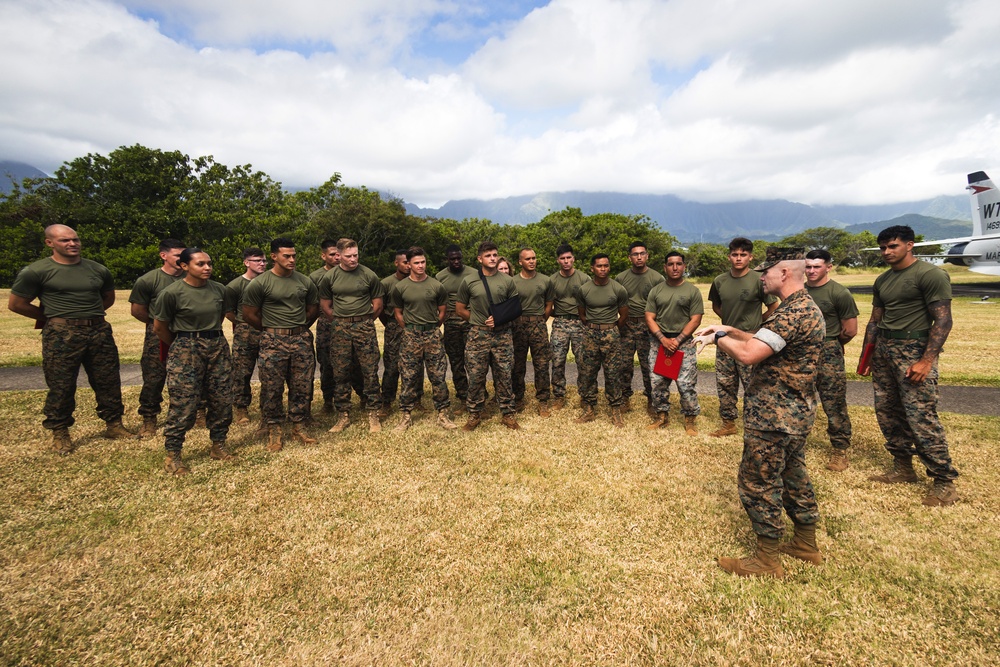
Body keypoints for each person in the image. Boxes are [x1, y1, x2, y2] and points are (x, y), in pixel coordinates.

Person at [696, 248, 825, 579]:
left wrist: (719, 340)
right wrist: (727, 329)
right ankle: (805, 544)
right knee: (793, 475)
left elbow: (750, 354)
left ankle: (767, 560)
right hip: (793, 414)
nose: (760, 276)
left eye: (765, 271)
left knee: (758, 481)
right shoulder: (800, 309)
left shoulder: (791, 314)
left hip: (774, 415)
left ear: (783, 274)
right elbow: (764, 340)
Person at [8, 224, 134, 453]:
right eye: (65, 240)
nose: (72, 244)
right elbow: (17, 304)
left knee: (108, 380)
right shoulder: (36, 271)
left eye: (75, 239)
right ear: (49, 243)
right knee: (61, 384)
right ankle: (60, 431)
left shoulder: (98, 270)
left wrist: (87, 318)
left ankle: (114, 424)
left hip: (99, 331)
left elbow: (107, 299)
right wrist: (52, 318)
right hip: (61, 335)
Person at [863, 225, 959, 506]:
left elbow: (943, 320)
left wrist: (926, 360)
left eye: (892, 246)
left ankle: (943, 480)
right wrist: (868, 356)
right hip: (884, 349)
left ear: (910, 245)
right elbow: (875, 318)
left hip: (913, 349)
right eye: (883, 247)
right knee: (888, 411)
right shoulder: (882, 280)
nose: (886, 252)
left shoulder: (930, 275)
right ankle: (903, 467)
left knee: (920, 415)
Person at [152, 248, 235, 475]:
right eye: (200, 264)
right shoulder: (171, 293)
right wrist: (184, 344)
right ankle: (173, 454)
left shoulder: (220, 290)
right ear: (184, 266)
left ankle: (218, 445)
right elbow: (160, 327)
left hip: (217, 346)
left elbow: (218, 317)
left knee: (221, 398)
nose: (207, 268)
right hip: (186, 348)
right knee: (184, 402)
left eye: (209, 263)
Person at [242, 237, 319, 451]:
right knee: (272, 387)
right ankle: (273, 428)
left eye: (294, 255)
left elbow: (313, 308)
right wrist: (271, 329)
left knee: (302, 385)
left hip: (301, 340)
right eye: (287, 256)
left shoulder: (304, 281)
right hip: (272, 341)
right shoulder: (260, 283)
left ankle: (299, 425)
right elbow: (249, 314)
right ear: (274, 257)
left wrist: (300, 327)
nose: (292, 259)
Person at [707, 237, 779, 437]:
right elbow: (716, 305)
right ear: (729, 256)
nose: (738, 258)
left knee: (753, 383)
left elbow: (773, 306)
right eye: (735, 254)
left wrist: (758, 326)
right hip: (726, 340)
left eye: (743, 255)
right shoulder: (719, 280)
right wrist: (728, 326)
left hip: (751, 340)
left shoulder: (759, 279)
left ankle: (754, 423)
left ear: (750, 257)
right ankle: (728, 423)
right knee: (725, 382)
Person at [319, 238, 385, 433]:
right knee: (340, 372)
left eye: (355, 255)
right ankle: (343, 415)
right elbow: (325, 305)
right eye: (348, 256)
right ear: (339, 256)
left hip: (364, 326)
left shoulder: (368, 274)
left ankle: (373, 414)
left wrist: (363, 320)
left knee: (370, 371)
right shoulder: (330, 277)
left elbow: (378, 304)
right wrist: (341, 321)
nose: (353, 259)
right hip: (340, 328)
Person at [389, 247, 457, 431]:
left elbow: (443, 311)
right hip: (411, 336)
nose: (420, 266)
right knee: (409, 376)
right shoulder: (400, 287)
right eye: (416, 263)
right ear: (409, 264)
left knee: (438, 376)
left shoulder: (436, 286)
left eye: (423, 262)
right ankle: (405, 416)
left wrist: (433, 327)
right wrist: (411, 329)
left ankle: (443, 415)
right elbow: (398, 313)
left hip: (433, 335)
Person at [455, 241, 521, 431]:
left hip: (503, 335)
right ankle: (474, 415)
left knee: (505, 375)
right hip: (478, 335)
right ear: (479, 258)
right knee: (476, 376)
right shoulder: (469, 281)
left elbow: (515, 308)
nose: (492, 258)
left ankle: (508, 414)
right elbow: (460, 309)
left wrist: (500, 319)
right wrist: (478, 321)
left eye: (495, 255)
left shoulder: (507, 281)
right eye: (488, 255)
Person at [804, 249, 859, 471]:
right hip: (801, 350)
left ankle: (840, 449)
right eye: (808, 266)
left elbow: (850, 330)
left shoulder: (839, 293)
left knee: (833, 402)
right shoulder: (799, 291)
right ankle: (797, 442)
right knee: (799, 399)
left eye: (816, 266)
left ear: (828, 266)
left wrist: (833, 346)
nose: (811, 271)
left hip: (828, 350)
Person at [129, 238, 185, 438]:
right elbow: (137, 310)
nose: (182, 259)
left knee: (194, 374)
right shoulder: (148, 280)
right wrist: (158, 326)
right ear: (164, 255)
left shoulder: (192, 277)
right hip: (158, 335)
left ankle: (198, 413)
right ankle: (149, 418)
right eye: (178, 255)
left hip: (186, 333)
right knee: (154, 376)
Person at [644, 251, 704, 434]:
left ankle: (690, 419)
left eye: (679, 264)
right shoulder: (656, 290)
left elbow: (696, 319)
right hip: (659, 341)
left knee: (686, 384)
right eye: (670, 264)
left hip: (683, 342)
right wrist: (663, 339)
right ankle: (661, 416)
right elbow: (649, 316)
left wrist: (677, 341)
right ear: (665, 267)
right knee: (658, 382)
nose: (675, 267)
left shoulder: (692, 291)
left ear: (684, 266)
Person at [575, 254, 630, 427]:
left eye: (606, 266)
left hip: (611, 334)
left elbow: (624, 315)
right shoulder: (584, 290)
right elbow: (582, 314)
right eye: (599, 266)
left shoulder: (618, 289)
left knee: (613, 373)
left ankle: (615, 410)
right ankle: (589, 408)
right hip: (590, 334)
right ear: (592, 268)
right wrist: (593, 326)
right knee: (588, 372)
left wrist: (611, 328)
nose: (603, 269)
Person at [615, 241, 665, 415]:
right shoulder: (621, 278)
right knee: (623, 364)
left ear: (647, 256)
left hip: (648, 326)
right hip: (627, 325)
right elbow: (617, 303)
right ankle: (624, 398)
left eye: (642, 253)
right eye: (635, 254)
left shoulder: (657, 278)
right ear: (629, 258)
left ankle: (652, 399)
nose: (639, 257)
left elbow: (662, 305)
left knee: (649, 365)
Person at [511, 246, 555, 416]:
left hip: (538, 325)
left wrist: (540, 320)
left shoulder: (545, 280)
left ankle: (543, 400)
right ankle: (518, 398)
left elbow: (549, 304)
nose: (532, 261)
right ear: (520, 262)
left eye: (534, 258)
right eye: (528, 259)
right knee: (517, 364)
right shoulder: (512, 282)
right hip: (518, 326)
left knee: (542, 364)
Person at [380, 249, 423, 416]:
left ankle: (416, 399)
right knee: (391, 365)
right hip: (394, 327)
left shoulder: (418, 281)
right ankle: (387, 401)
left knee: (416, 364)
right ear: (396, 263)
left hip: (415, 326)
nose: (407, 265)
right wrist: (391, 324)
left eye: (408, 262)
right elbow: (382, 308)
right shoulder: (386, 283)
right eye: (404, 262)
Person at [226, 248, 266, 427]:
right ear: (246, 262)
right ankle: (241, 407)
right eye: (257, 260)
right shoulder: (235, 286)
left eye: (264, 260)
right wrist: (243, 323)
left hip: (267, 330)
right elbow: (228, 311)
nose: (262, 264)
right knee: (242, 372)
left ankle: (268, 407)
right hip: (245, 332)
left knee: (269, 371)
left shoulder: (269, 282)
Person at [436, 245, 478, 413]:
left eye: (459, 258)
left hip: (470, 319)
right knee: (456, 361)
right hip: (451, 322)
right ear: (447, 259)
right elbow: (438, 300)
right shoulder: (440, 276)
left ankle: (477, 396)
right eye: (452, 259)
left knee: (474, 361)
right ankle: (463, 397)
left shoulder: (474, 273)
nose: (456, 261)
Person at [549, 244, 588, 411]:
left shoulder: (584, 279)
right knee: (557, 361)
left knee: (583, 361)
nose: (566, 261)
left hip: (580, 323)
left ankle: (585, 395)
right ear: (558, 260)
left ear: (573, 259)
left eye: (568, 258)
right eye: (562, 258)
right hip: (560, 323)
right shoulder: (552, 280)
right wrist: (557, 315)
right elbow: (548, 304)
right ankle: (559, 395)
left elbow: (590, 302)